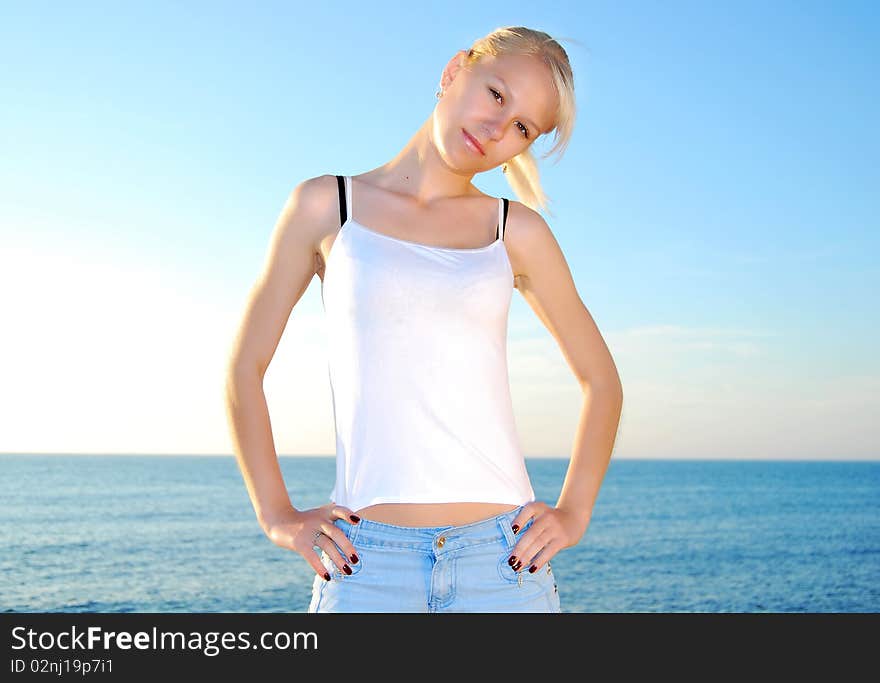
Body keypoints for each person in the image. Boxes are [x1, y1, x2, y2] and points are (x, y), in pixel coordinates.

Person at [225, 26, 623, 612]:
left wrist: (573, 513)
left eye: (522, 128)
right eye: (496, 94)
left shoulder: (517, 232)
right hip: (364, 566)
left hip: (504, 567)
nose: (497, 129)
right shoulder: (326, 205)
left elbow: (602, 382)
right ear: (454, 71)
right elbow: (244, 370)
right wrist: (277, 516)